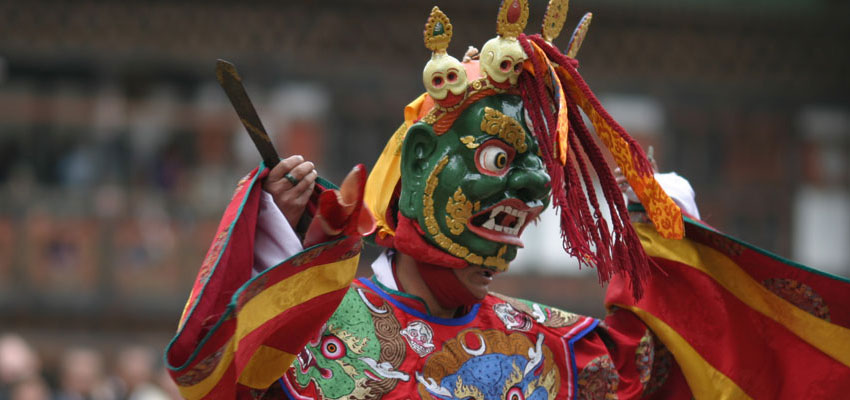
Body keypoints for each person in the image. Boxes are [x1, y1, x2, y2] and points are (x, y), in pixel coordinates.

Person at [165, 2, 850, 399]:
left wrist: (659, 227)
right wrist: (280, 243)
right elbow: (222, 382)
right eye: (497, 159)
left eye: (535, 170)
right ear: (419, 166)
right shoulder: (314, 330)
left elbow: (663, 363)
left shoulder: (546, 344)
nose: (528, 191)